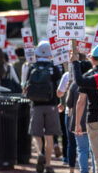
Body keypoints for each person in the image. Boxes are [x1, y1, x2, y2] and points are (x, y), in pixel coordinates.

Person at [26, 41, 62, 173]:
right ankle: (48, 164)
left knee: (36, 134)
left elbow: (26, 84)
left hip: (35, 105)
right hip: (51, 105)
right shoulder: (54, 67)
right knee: (49, 135)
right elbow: (59, 86)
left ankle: (39, 154)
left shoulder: (32, 66)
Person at [74, 45, 98, 173]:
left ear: (92, 59)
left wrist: (77, 123)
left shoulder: (88, 76)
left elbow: (81, 101)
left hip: (93, 118)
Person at [60, 60, 93, 173]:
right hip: (94, 118)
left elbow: (68, 104)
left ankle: (82, 171)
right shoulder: (94, 80)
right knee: (94, 149)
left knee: (81, 149)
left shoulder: (75, 84)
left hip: (78, 120)